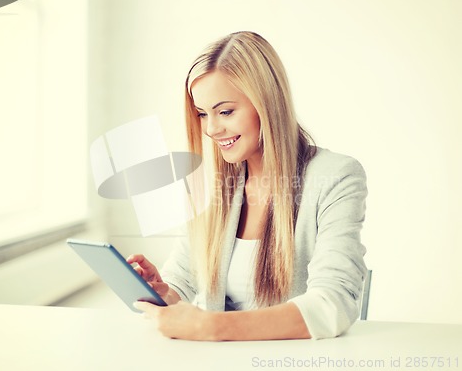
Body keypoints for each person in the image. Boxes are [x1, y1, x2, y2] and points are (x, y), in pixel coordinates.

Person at [128, 31, 367, 341]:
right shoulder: (214, 185)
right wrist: (164, 292)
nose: (212, 129)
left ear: (267, 103)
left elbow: (333, 304)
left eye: (225, 111)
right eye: (203, 114)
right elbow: (184, 280)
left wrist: (211, 327)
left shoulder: (336, 177)